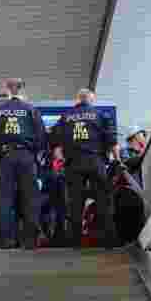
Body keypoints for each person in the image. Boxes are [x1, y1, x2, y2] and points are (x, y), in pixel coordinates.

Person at [52, 88, 120, 249]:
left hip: (74, 164)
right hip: (95, 162)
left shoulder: (65, 117)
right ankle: (109, 241)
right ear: (91, 99)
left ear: (78, 99)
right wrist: (118, 160)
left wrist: (62, 160)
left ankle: (75, 243)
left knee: (75, 203)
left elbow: (56, 144)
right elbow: (112, 140)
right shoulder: (100, 115)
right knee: (103, 201)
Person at [0, 78, 46, 249]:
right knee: (30, 199)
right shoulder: (31, 110)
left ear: (7, 90)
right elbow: (41, 138)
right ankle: (30, 242)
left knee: (4, 200)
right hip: (27, 157)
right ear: (22, 90)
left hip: (5, 157)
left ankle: (5, 242)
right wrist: (34, 158)